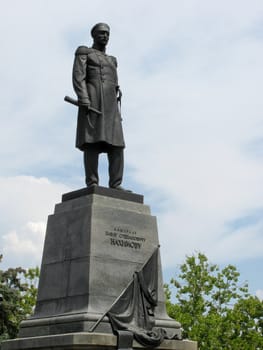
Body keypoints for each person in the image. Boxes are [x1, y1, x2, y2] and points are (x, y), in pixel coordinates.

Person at [72, 23, 128, 190]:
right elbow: (78, 77)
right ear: (94, 35)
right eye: (101, 33)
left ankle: (116, 184)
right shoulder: (84, 52)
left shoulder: (112, 60)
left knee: (117, 145)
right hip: (93, 99)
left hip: (111, 105)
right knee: (92, 141)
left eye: (107, 34)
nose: (105, 36)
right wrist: (83, 97)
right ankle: (92, 182)